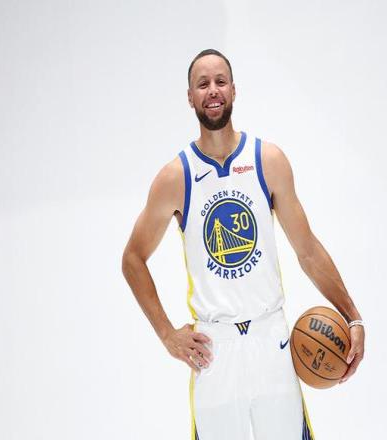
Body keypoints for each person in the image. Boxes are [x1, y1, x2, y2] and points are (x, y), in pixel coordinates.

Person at [121, 48, 365, 440]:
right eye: (202, 84)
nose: (212, 90)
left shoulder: (268, 160)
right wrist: (167, 334)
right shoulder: (175, 177)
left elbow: (307, 250)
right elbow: (133, 258)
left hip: (272, 342)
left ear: (234, 90)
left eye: (220, 81)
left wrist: (352, 316)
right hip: (214, 349)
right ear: (190, 97)